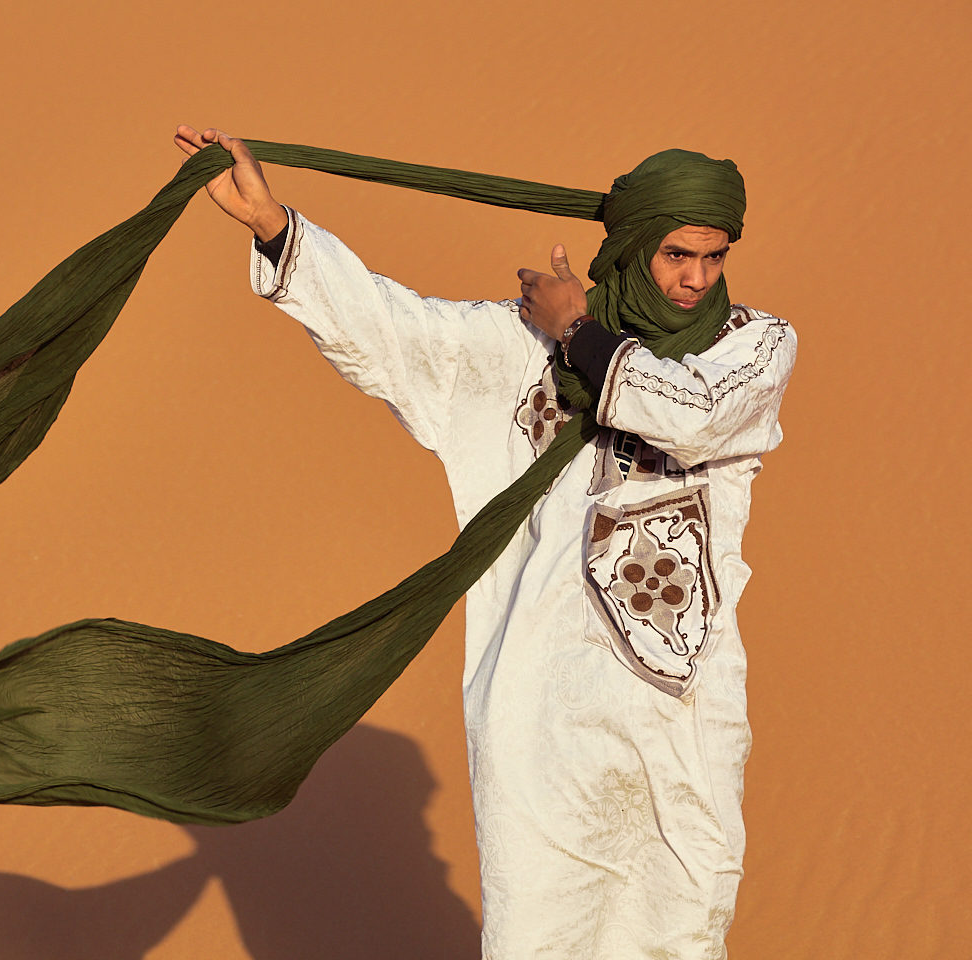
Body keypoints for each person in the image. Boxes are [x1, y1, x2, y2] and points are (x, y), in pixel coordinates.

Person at [174, 125, 797, 959]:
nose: (696, 279)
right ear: (638, 243)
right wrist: (277, 228)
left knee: (684, 928)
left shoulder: (752, 349)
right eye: (678, 255)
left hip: (683, 710)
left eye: (715, 258)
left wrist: (580, 330)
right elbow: (397, 335)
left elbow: (693, 417)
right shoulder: (521, 344)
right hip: (542, 709)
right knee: (542, 936)